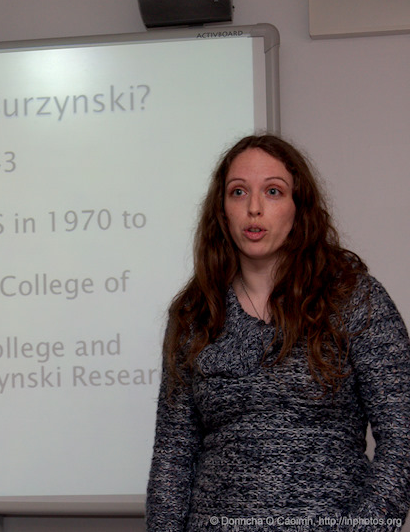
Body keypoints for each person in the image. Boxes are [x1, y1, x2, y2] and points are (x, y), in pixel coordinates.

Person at [145, 134, 410, 531]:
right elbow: (172, 459)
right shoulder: (193, 314)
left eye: (272, 191)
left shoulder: (354, 298)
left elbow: (403, 442)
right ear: (222, 211)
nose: (254, 208)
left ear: (298, 208)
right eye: (238, 192)